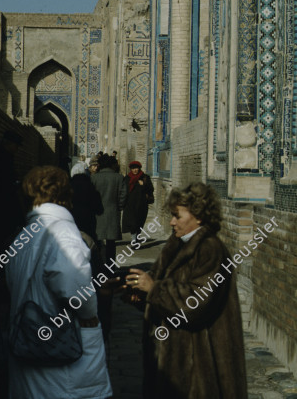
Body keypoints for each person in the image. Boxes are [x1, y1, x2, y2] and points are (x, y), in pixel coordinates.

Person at [124, 182, 248, 399]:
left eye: (177, 216)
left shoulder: (211, 250)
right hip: (173, 363)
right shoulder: (176, 245)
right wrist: (139, 292)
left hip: (197, 365)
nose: (172, 222)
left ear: (198, 216)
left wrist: (154, 288)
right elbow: (163, 295)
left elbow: (196, 303)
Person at [5, 166, 112, 399]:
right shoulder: (62, 232)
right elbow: (73, 287)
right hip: (62, 357)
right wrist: (90, 315)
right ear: (65, 193)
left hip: (27, 348)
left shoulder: (23, 234)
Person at [0, 130, 25, 257]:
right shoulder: (2, 158)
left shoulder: (0, 156)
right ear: (9, 144)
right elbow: (4, 185)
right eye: (16, 145)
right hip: (1, 209)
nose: (17, 149)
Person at [91, 154, 127, 262]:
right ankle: (110, 266)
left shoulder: (94, 178)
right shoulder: (119, 178)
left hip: (97, 214)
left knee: (97, 241)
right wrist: (119, 207)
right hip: (112, 213)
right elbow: (123, 195)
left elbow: (90, 195)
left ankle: (98, 265)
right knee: (111, 243)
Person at [122, 161, 154, 242]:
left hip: (142, 204)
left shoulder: (145, 177)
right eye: (133, 168)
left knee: (140, 222)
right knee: (132, 223)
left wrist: (143, 185)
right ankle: (133, 239)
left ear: (139, 168)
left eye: (136, 168)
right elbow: (124, 190)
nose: (135, 170)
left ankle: (137, 236)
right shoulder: (127, 178)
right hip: (130, 204)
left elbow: (151, 189)